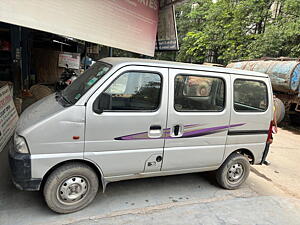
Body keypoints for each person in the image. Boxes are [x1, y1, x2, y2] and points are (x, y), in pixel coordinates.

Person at [262, 96, 278, 165]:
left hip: (270, 124)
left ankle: (263, 158)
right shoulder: (265, 104)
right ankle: (262, 158)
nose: (274, 98)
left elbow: (274, 116)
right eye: (273, 97)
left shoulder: (273, 106)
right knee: (266, 141)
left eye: (274, 97)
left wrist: (275, 126)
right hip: (265, 123)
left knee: (269, 142)